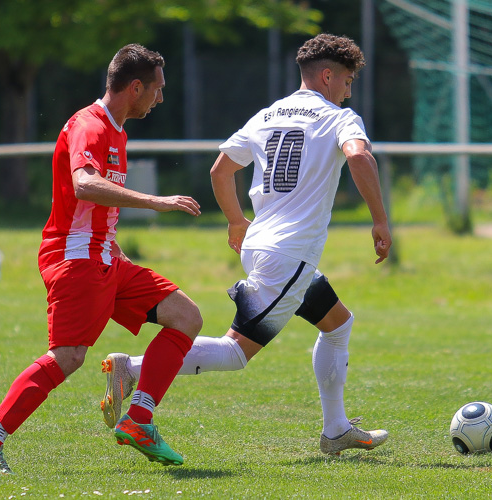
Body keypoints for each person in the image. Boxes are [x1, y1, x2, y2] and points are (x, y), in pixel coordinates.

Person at [100, 33, 391, 456]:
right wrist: (380, 220)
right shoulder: (337, 118)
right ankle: (132, 369)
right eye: (347, 81)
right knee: (236, 353)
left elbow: (221, 170)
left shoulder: (268, 115)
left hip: (266, 247)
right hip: (289, 256)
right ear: (327, 76)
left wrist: (237, 222)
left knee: (338, 324)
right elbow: (360, 157)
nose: (348, 92)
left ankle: (336, 429)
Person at [0, 44, 202, 474]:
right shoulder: (89, 126)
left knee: (186, 315)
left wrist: (117, 247)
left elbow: (98, 209)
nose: (160, 98)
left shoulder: (118, 130)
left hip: (105, 256)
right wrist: (156, 201)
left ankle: (140, 421)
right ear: (135, 87)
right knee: (68, 356)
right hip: (76, 259)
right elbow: (85, 185)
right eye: (157, 90)